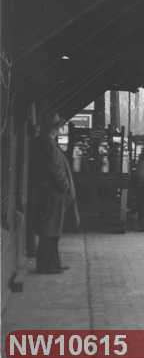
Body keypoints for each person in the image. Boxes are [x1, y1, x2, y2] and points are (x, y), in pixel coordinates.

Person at [32, 112, 78, 274]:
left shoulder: (47, 142)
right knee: (49, 231)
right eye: (58, 127)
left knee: (52, 231)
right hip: (52, 194)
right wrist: (65, 187)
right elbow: (55, 169)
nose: (60, 130)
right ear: (53, 129)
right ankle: (47, 265)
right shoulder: (48, 144)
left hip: (52, 193)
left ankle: (53, 263)